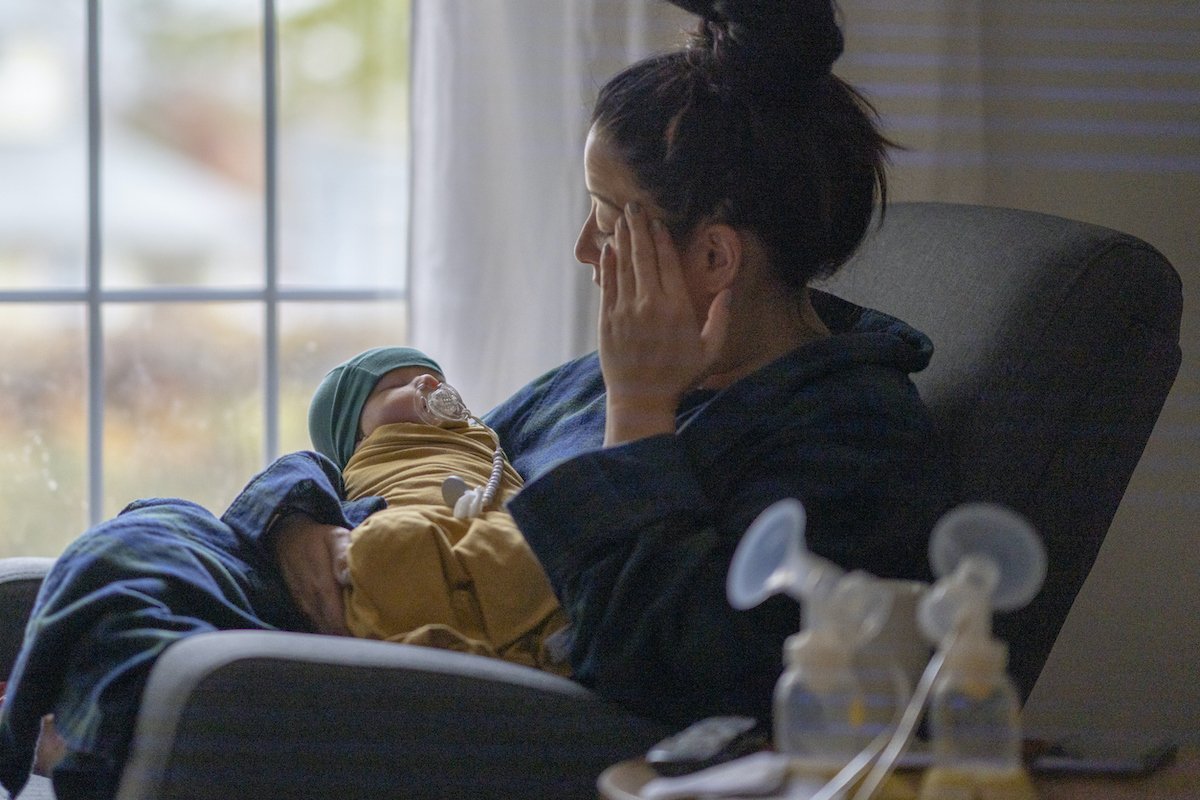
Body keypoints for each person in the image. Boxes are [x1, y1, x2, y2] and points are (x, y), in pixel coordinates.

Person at [0, 2, 945, 797]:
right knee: (139, 540)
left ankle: (91, 752)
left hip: (469, 701)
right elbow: (444, 462)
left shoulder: (849, 438)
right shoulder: (603, 378)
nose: (584, 249)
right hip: (351, 605)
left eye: (608, 218)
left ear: (712, 258)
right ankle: (90, 746)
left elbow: (678, 672)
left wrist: (641, 418)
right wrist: (296, 520)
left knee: (153, 654)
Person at [305, 346, 568, 673]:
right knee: (383, 544)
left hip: (494, 530)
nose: (429, 381)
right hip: (419, 527)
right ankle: (437, 646)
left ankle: (545, 644)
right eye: (396, 384)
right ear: (354, 434)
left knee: (540, 546)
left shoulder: (484, 439)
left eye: (438, 379)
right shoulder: (354, 466)